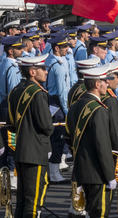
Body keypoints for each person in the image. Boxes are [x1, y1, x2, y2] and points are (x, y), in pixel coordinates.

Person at [66, 63, 117, 218]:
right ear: (97, 84)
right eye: (105, 81)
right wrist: (110, 175)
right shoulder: (99, 110)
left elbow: (70, 136)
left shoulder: (76, 106)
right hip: (97, 174)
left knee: (83, 213)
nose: (107, 83)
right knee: (98, 213)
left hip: (80, 170)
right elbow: (102, 146)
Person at [7, 54, 53, 218]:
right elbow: (47, 126)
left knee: (22, 200)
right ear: (32, 72)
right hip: (36, 153)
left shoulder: (15, 90)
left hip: (21, 150)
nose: (46, 72)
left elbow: (11, 123)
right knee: (34, 202)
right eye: (42, 69)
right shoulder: (38, 93)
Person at [44, 33, 70, 184]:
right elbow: (62, 92)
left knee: (54, 137)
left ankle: (52, 171)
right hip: (57, 104)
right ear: (56, 48)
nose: (67, 48)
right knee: (58, 138)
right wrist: (67, 111)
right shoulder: (58, 66)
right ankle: (54, 174)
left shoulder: (52, 60)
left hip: (51, 102)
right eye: (64, 46)